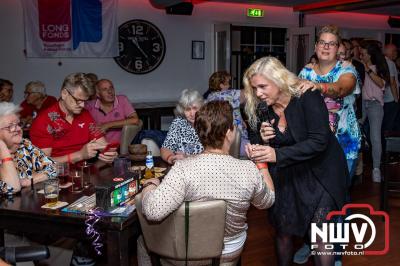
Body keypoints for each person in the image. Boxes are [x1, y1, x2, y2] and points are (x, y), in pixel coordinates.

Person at [137, 101, 275, 265]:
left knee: (143, 241)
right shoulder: (248, 169)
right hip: (229, 253)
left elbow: (153, 211)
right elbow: (267, 201)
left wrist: (149, 186)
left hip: (190, 253)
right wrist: (261, 164)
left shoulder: (183, 169)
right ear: (229, 132)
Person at [243, 56, 348, 266]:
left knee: (321, 234)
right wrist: (261, 141)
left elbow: (319, 141)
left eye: (263, 86)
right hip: (288, 175)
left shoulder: (306, 96)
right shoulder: (260, 106)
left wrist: (277, 155)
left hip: (321, 173)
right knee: (283, 230)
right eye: (254, 88)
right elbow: (255, 140)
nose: (258, 93)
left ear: (279, 80)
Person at [296, 25, 361, 266]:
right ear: (315, 47)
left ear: (338, 49)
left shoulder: (347, 69)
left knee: (337, 201)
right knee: (313, 199)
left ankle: (334, 254)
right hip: (314, 145)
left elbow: (343, 88)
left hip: (344, 145)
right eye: (322, 42)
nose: (325, 46)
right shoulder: (305, 71)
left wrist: (320, 87)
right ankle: (312, 244)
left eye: (331, 43)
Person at [30, 73, 118, 164]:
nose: (82, 105)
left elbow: (102, 144)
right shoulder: (43, 121)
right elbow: (43, 163)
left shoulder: (85, 114)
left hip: (83, 171)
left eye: (85, 101)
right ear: (64, 93)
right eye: (78, 100)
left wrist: (110, 153)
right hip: (58, 175)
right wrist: (80, 155)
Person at [0, 102, 56, 191]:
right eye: (10, 126)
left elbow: (53, 168)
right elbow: (11, 188)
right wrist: (4, 150)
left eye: (18, 124)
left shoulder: (25, 145)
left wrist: (29, 181)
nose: (18, 129)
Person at [359, 41, 390, 182]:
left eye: (363, 53)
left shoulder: (379, 67)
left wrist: (367, 69)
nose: (361, 55)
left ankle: (376, 168)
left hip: (375, 105)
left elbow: (382, 84)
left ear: (370, 54)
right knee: (356, 131)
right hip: (361, 104)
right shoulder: (359, 66)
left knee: (375, 137)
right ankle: (357, 165)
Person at [206, 70, 249, 156]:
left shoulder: (209, 97)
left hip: (218, 136)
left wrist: (241, 119)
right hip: (235, 134)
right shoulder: (230, 94)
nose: (230, 86)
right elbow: (247, 93)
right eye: (228, 83)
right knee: (250, 151)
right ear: (221, 85)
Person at [85, 79, 140, 144]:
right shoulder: (89, 105)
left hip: (121, 148)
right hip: (97, 148)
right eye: (104, 89)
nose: (110, 91)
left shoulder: (122, 100)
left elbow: (135, 120)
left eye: (111, 88)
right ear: (98, 94)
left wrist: (108, 125)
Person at [160, 89, 204, 164]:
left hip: (203, 168)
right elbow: (166, 148)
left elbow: (214, 154)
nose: (192, 113)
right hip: (180, 167)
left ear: (201, 107)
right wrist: (171, 158)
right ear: (182, 110)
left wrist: (187, 158)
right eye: (188, 109)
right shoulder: (178, 122)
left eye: (195, 108)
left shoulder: (208, 123)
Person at [382, 44, 399, 132]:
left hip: (384, 98)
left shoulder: (381, 61)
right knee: (389, 124)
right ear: (390, 52)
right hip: (391, 98)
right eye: (395, 51)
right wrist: (396, 99)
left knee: (384, 122)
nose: (396, 53)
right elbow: (392, 82)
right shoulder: (390, 63)